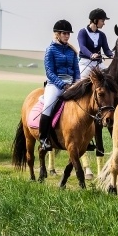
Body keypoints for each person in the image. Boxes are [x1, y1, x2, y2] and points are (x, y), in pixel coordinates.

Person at [39, 20, 79, 152]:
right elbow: (49, 72)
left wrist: (77, 83)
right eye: (64, 33)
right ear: (57, 34)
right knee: (48, 106)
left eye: (68, 34)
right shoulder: (50, 50)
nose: (67, 36)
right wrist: (62, 85)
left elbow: (76, 69)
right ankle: (43, 138)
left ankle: (85, 138)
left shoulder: (71, 51)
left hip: (72, 83)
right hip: (55, 84)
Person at [77, 8, 114, 78]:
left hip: (98, 64)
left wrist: (112, 55)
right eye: (102, 21)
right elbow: (82, 47)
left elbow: (106, 50)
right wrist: (91, 55)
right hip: (85, 63)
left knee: (110, 78)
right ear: (95, 20)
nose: (104, 23)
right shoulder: (83, 32)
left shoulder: (102, 35)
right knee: (81, 80)